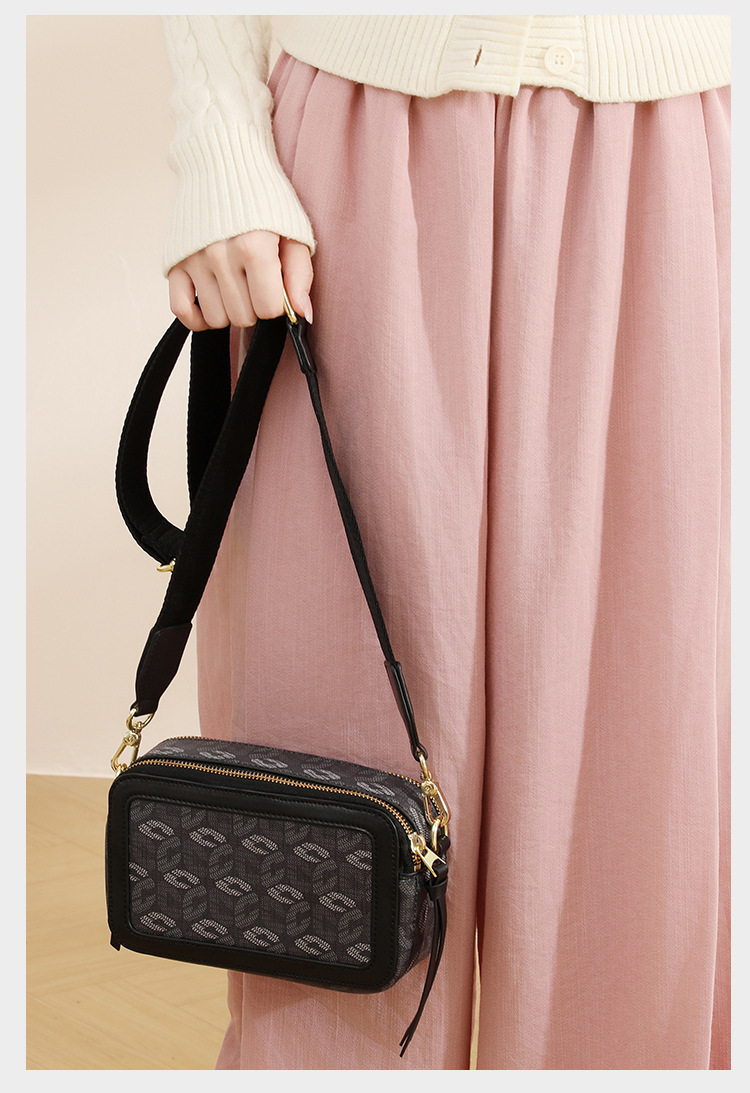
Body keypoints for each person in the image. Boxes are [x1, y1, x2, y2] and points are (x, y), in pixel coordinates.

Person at [160, 15, 730, 1071]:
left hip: (665, 167)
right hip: (352, 174)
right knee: (334, 824)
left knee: (639, 822)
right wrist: (219, 148)